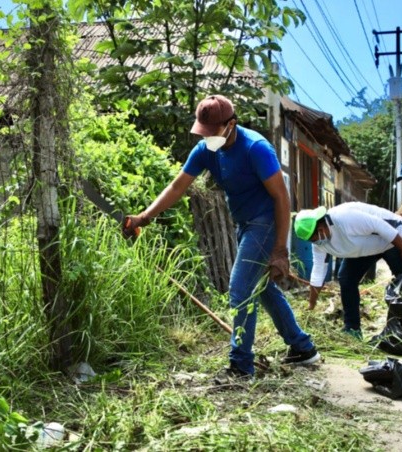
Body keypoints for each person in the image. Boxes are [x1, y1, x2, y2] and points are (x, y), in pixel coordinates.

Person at [122, 94, 319, 380]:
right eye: (204, 132)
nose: (207, 138)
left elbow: (281, 198)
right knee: (261, 290)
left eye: (212, 131)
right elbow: (178, 186)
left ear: (231, 124)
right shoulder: (206, 150)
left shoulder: (256, 148)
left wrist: (280, 250)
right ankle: (302, 348)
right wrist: (144, 217)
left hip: (265, 223)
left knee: (239, 290)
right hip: (244, 224)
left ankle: (241, 366)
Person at [293, 202, 402, 339]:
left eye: (314, 238)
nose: (316, 242)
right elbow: (318, 272)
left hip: (392, 238)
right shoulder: (319, 244)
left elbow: (380, 226)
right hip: (364, 249)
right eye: (311, 241)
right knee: (346, 278)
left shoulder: (344, 218)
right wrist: (311, 305)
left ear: (321, 227)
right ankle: (352, 329)